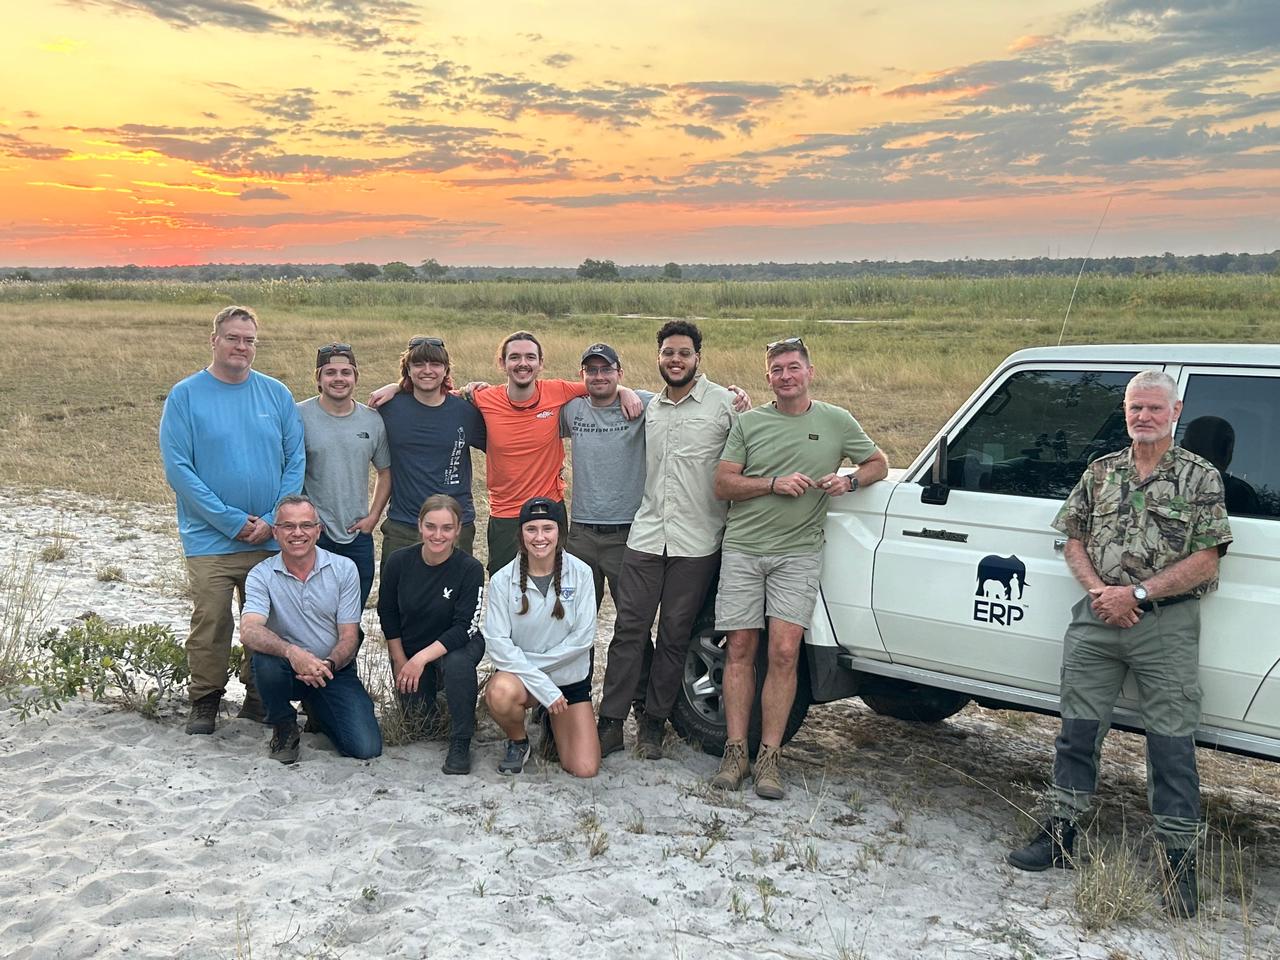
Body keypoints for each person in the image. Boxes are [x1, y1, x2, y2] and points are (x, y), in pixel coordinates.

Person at [1006, 370, 1232, 919]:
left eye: (1155, 408)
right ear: (1126, 412)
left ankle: (1178, 861)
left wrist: (1137, 592)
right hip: (1097, 615)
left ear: (1175, 412)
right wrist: (1102, 594)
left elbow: (1207, 556)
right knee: (1076, 731)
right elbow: (1073, 538)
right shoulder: (1101, 471)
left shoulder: (1200, 478)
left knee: (1172, 744)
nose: (1144, 417)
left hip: (1165, 622)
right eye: (1135, 408)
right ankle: (1062, 834)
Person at [709, 337, 888, 799]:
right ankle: (735, 750)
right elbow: (723, 483)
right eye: (777, 370)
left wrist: (848, 480)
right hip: (745, 550)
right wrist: (772, 483)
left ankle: (769, 757)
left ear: (810, 371)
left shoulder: (836, 421)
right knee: (741, 648)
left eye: (794, 368)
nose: (786, 376)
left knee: (786, 653)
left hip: (799, 554)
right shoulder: (750, 423)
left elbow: (878, 463)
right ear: (767, 377)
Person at [159, 304, 305, 735]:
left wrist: (271, 519)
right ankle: (205, 700)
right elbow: (179, 470)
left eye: (249, 340)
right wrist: (230, 521)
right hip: (211, 540)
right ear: (214, 340)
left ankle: (259, 698)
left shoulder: (275, 394)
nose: (241, 346)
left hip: (269, 537)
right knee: (213, 620)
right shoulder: (185, 395)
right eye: (233, 338)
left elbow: (294, 460)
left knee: (267, 620)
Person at [596, 320, 738, 760]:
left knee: (675, 635)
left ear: (698, 357)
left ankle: (654, 724)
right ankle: (612, 721)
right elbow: (606, 391)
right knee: (628, 630)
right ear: (658, 358)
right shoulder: (649, 406)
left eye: (684, 353)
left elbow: (742, 459)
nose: (675, 360)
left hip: (697, 542)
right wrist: (622, 391)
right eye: (668, 353)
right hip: (647, 534)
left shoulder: (724, 405)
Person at [240, 495, 383, 764]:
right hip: (285, 669)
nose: (297, 533)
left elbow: (350, 636)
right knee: (265, 661)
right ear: (275, 532)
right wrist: (293, 653)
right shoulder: (261, 574)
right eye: (288, 526)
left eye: (306, 525)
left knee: (366, 748)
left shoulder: (344, 569)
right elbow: (249, 631)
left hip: (332, 670)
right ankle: (283, 725)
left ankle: (319, 708)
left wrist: (327, 664)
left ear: (319, 530)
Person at [482, 498, 600, 778]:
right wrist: (541, 685)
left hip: (567, 680)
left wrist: (541, 676)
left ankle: (551, 721)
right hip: (523, 681)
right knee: (499, 693)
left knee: (584, 768)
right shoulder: (502, 580)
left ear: (560, 532)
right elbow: (497, 644)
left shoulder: (582, 573)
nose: (539, 537)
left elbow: (582, 639)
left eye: (547, 528)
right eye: (531, 529)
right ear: (521, 534)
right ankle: (519, 741)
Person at [378, 495, 486, 775]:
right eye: (431, 526)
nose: (438, 535)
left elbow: (465, 627)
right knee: (421, 724)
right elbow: (387, 613)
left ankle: (461, 741)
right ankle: (443, 695)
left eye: (447, 528)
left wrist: (421, 660)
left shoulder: (469, 569)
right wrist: (402, 660)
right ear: (419, 525)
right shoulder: (399, 561)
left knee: (457, 664)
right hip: (412, 648)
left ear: (458, 529)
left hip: (457, 644)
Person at [297, 342, 391, 611]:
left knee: (352, 614)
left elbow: (385, 472)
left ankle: (349, 656)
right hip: (313, 534)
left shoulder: (372, 420)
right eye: (330, 372)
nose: (339, 379)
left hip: (357, 535)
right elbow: (287, 471)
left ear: (356, 377)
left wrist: (372, 517)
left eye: (346, 372)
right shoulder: (298, 415)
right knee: (312, 614)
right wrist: (304, 522)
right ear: (318, 378)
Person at [376, 337, 486, 563]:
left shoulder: (466, 411)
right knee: (395, 596)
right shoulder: (388, 408)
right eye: (418, 364)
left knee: (454, 595)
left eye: (435, 364)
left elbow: (502, 447)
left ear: (446, 370)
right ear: (407, 369)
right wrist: (396, 387)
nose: (427, 371)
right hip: (404, 525)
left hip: (455, 524)